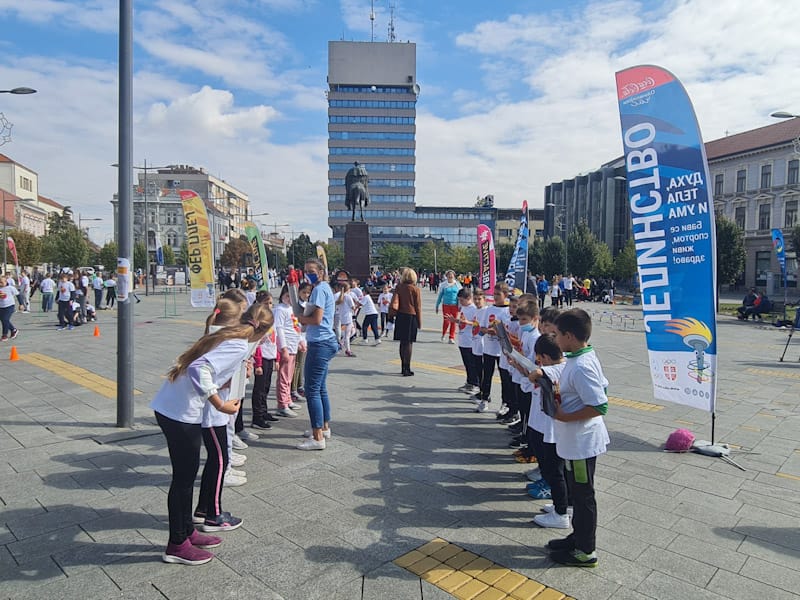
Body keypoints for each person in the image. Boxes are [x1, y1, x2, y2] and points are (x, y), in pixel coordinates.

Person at [150, 302, 273, 565]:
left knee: (187, 475)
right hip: (179, 413)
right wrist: (221, 404)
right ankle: (176, 545)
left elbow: (206, 369)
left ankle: (187, 532)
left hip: (173, 407)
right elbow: (198, 369)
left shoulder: (231, 334)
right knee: (183, 481)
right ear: (264, 332)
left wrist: (227, 380)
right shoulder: (239, 343)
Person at [528, 308, 609, 567]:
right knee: (577, 491)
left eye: (557, 334)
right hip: (574, 442)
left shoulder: (582, 365)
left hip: (582, 443)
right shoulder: (579, 356)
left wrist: (563, 416)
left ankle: (586, 551)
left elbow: (599, 405)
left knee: (583, 497)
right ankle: (577, 537)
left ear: (570, 336)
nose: (554, 339)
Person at [527, 334, 570, 526]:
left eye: (539, 358)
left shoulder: (555, 369)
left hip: (552, 430)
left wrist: (536, 372)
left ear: (544, 356)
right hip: (546, 427)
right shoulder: (562, 365)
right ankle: (561, 505)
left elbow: (539, 375)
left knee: (555, 472)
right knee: (553, 470)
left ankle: (561, 514)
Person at [297, 257, 337, 450]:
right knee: (320, 388)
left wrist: (299, 318)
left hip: (320, 342)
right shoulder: (323, 288)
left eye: (312, 270)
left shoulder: (319, 289)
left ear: (321, 272)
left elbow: (317, 319)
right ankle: (324, 427)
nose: (308, 274)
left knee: (312, 390)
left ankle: (317, 436)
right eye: (306, 270)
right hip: (326, 341)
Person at [251, 292, 280, 429]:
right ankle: (257, 417)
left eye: (270, 303)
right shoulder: (258, 320)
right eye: (266, 303)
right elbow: (256, 343)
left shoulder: (271, 318)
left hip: (270, 356)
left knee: (266, 387)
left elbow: (275, 339)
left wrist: (277, 358)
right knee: (259, 389)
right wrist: (258, 363)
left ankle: (264, 411)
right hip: (261, 358)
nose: (269, 306)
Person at [274, 285, 303, 417]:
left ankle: (288, 400)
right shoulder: (280, 309)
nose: (290, 299)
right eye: (287, 296)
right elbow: (279, 329)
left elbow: (297, 326)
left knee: (289, 376)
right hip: (286, 347)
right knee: (284, 376)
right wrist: (283, 347)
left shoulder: (292, 309)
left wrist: (300, 341)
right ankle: (282, 404)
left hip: (293, 345)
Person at [388, 268, 422, 376]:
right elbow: (418, 307)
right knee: (409, 343)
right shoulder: (415, 289)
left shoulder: (399, 287)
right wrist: (419, 321)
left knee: (402, 342)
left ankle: (403, 366)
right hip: (411, 316)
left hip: (400, 316)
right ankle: (407, 367)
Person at [452, 287, 480, 395]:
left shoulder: (474, 309)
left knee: (472, 364)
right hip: (463, 339)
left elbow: (476, 323)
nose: (460, 302)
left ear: (469, 298)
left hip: (470, 341)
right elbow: (462, 321)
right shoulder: (464, 308)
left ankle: (475, 383)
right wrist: (456, 321)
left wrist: (467, 322)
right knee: (466, 363)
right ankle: (469, 382)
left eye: (462, 300)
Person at [435, 270, 462, 344]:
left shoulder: (458, 285)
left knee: (453, 322)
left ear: (454, 276)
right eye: (449, 275)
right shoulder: (443, 285)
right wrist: (437, 305)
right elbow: (440, 296)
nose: (450, 276)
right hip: (446, 305)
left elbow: (461, 296)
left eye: (452, 275)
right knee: (446, 321)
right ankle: (443, 334)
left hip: (455, 306)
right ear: (446, 276)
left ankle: (451, 337)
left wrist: (461, 306)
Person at [0, 275, 19, 341]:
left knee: (5, 319)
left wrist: (21, 304)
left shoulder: (10, 288)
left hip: (9, 306)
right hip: (1, 307)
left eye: (1, 282)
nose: (0, 284)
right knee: (3, 320)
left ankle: (4, 335)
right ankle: (13, 330)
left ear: (6, 282)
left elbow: (18, 295)